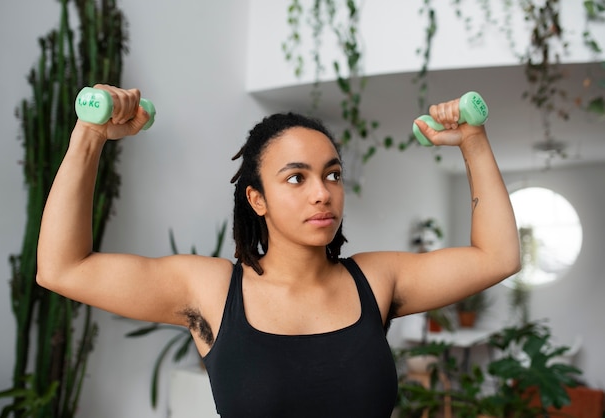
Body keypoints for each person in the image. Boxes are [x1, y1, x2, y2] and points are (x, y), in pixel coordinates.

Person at [37, 85, 521, 417]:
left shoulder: (375, 280)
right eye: (297, 177)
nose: (322, 192)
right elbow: (62, 268)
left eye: (332, 174)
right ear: (257, 199)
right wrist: (90, 134)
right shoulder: (209, 290)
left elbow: (497, 256)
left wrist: (473, 141)